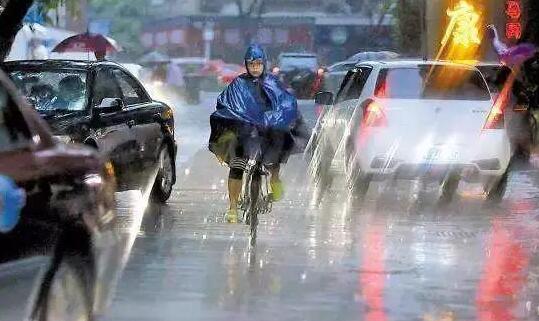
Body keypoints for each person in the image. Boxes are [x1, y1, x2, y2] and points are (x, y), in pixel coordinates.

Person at [209, 44, 308, 223]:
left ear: (264, 64)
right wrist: (236, 117)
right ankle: (232, 208)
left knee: (276, 149)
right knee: (237, 166)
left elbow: (286, 103)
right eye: (251, 64)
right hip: (243, 130)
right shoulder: (238, 84)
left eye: (258, 64)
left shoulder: (273, 82)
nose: (255, 67)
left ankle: (275, 180)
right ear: (246, 64)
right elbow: (225, 103)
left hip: (267, 130)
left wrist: (275, 118)